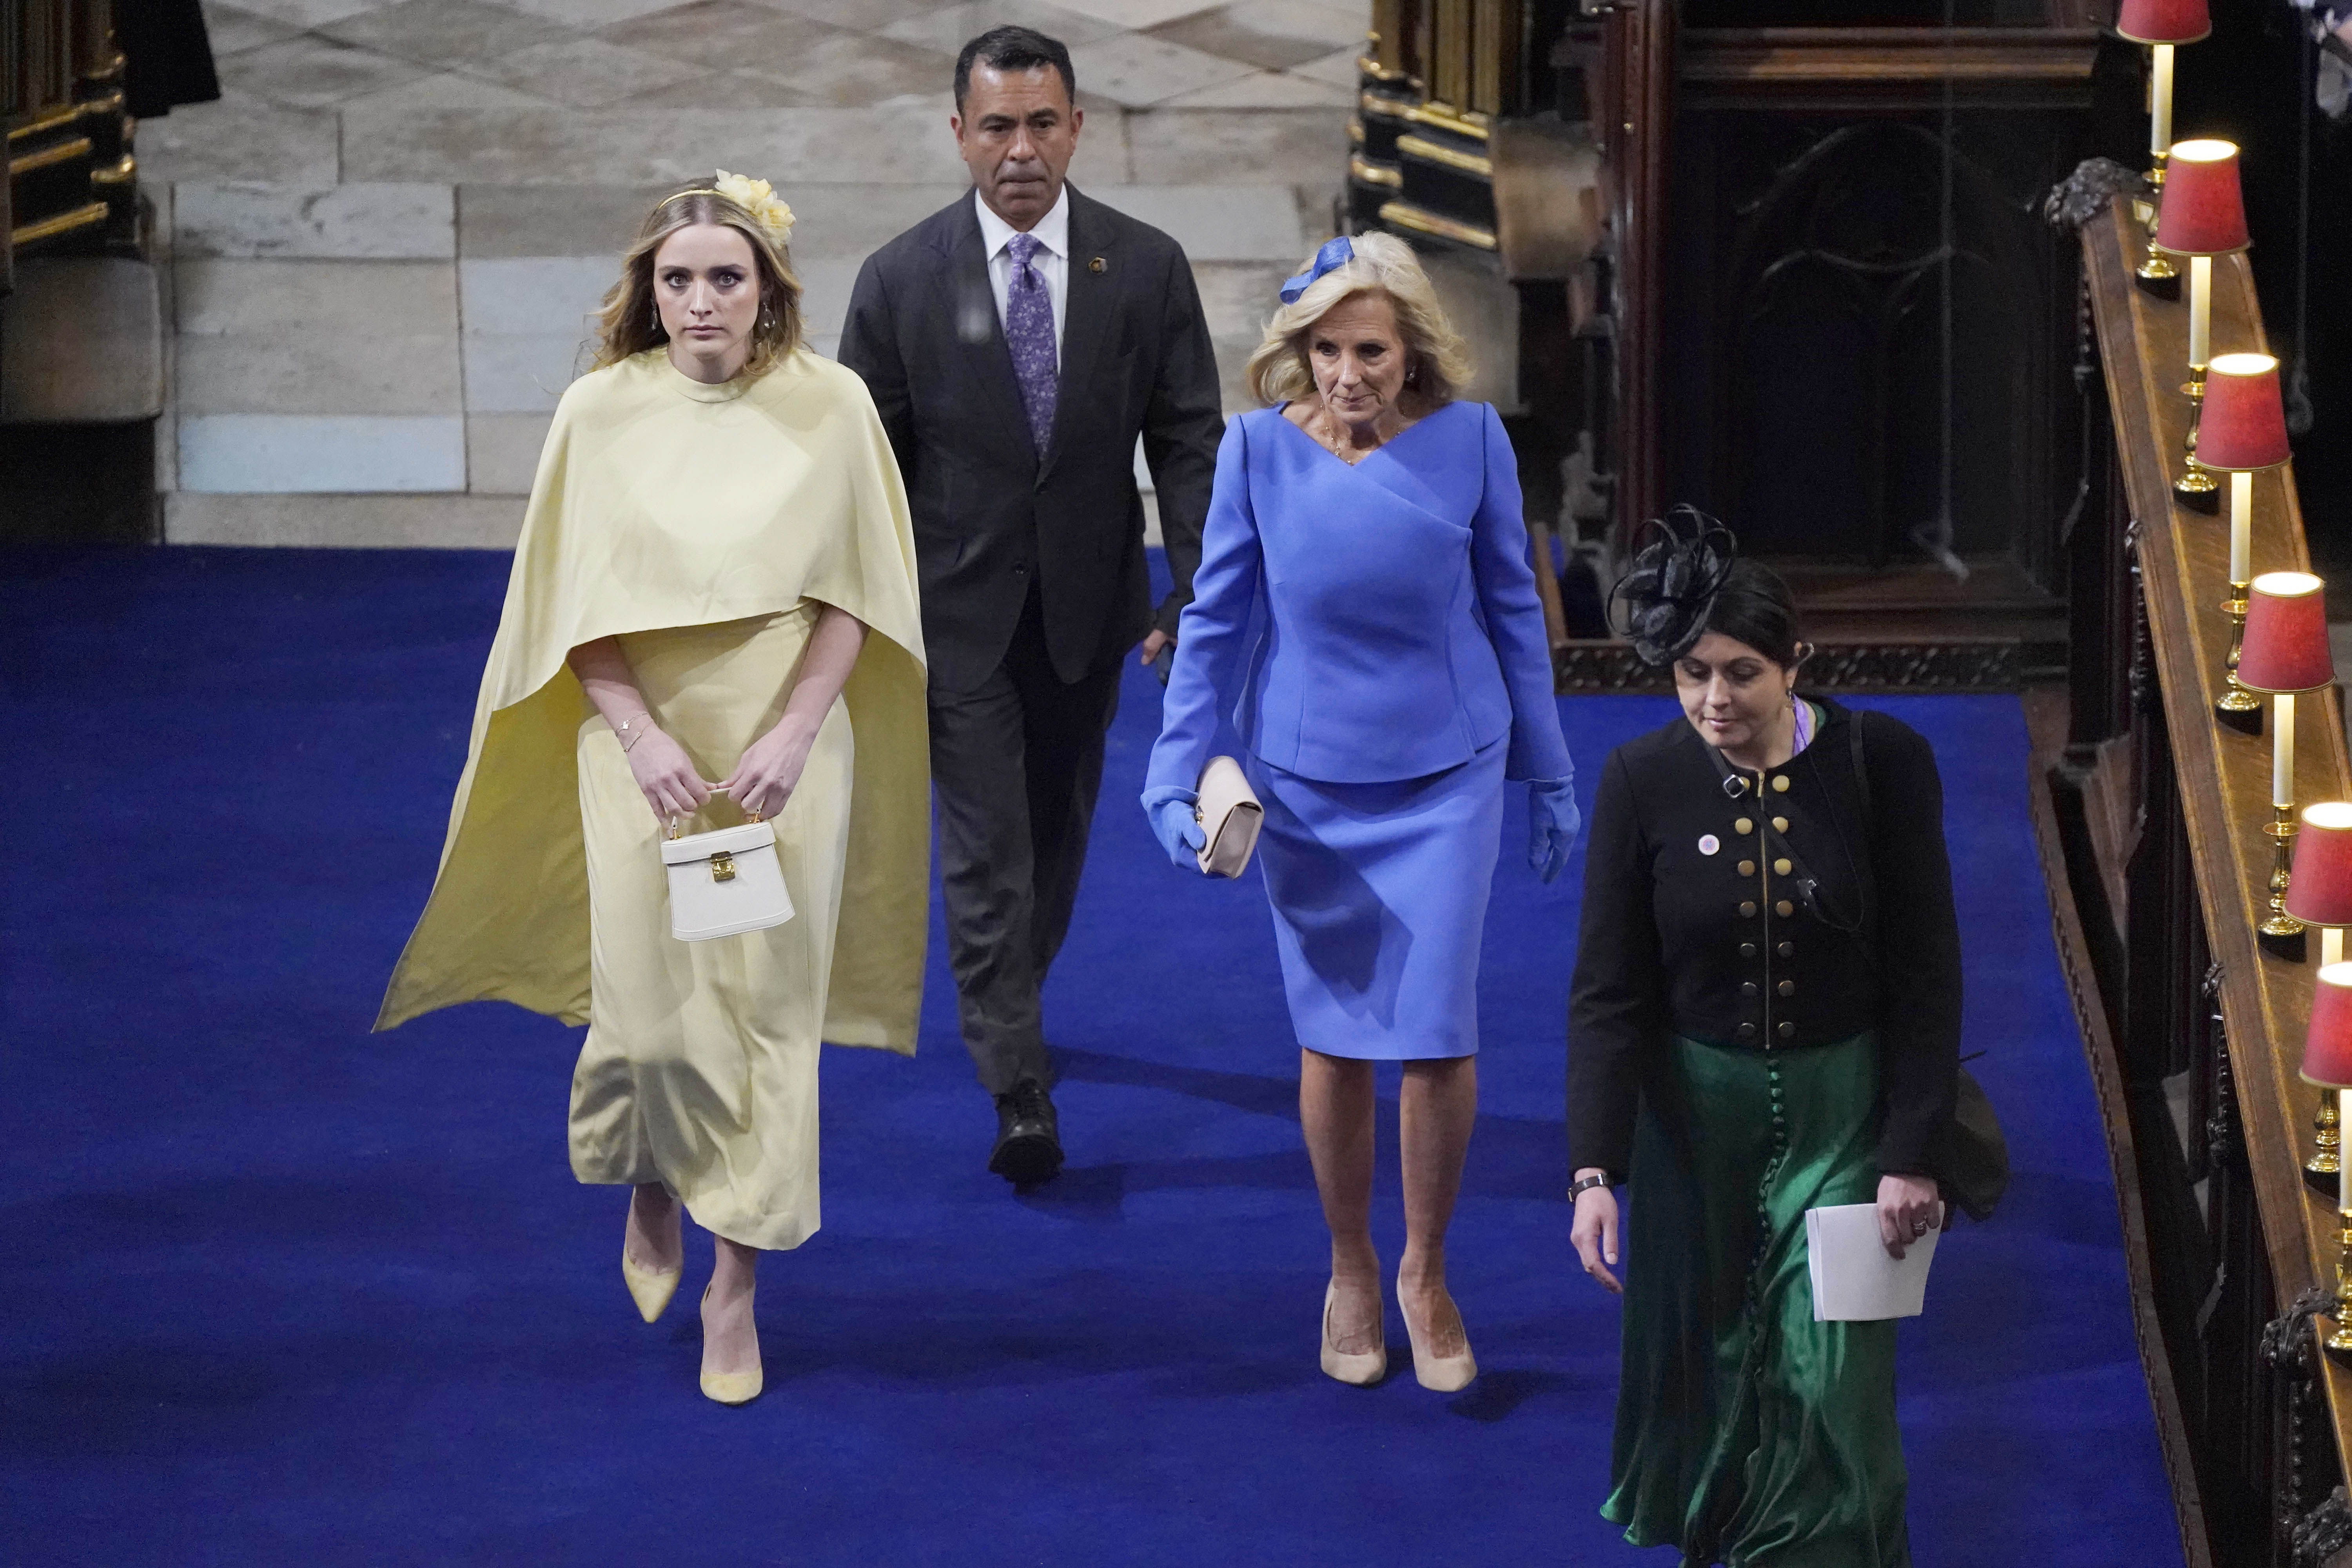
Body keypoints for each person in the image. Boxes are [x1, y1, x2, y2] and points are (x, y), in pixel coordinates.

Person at [376, 173, 930, 1407]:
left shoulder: (831, 406)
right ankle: (653, 1168)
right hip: (640, 746)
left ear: (768, 287)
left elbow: (863, 596)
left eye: (725, 277)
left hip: (782, 755)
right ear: (648, 291)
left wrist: (795, 734)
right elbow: (562, 605)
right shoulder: (598, 412)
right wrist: (635, 736)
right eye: (677, 279)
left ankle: (736, 1285)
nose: (700, 301)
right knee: (655, 1008)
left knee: (764, 1013)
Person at [1140, 233, 1580, 1392]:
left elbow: (1515, 614)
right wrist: (1169, 770)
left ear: (1415, 349)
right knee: (1334, 1038)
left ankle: (1425, 1273)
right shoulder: (1252, 455)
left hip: (1448, 775)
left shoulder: (1475, 444)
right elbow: (1216, 628)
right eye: (1325, 350)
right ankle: (1348, 1265)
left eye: (1370, 350)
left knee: (1436, 1030)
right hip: (1307, 785)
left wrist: (1552, 767)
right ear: (1297, 353)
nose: (1347, 374)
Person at [838, 25, 1223, 1189]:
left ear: (1078, 129)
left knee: (1054, 835)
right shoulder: (901, 280)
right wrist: (858, 614)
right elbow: (862, 467)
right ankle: (1017, 1085)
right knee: (988, 849)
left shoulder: (1145, 267)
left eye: (1042, 123)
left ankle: (1011, 996)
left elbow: (1190, 440)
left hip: (1089, 615)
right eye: (997, 125)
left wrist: (1197, 591)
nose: (1020, 149)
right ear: (959, 134)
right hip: (956, 618)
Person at [1565, 513, 1959, 1564]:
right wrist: (1594, 1170)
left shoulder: (1886, 762)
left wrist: (1912, 1152)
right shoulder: (1640, 781)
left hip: (1846, 1115)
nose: (1714, 701)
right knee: (1717, 1377)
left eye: (1742, 672)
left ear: (1797, 662)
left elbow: (1929, 972)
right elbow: (1609, 992)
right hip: (1693, 1129)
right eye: (1692, 674)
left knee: (1831, 1379)